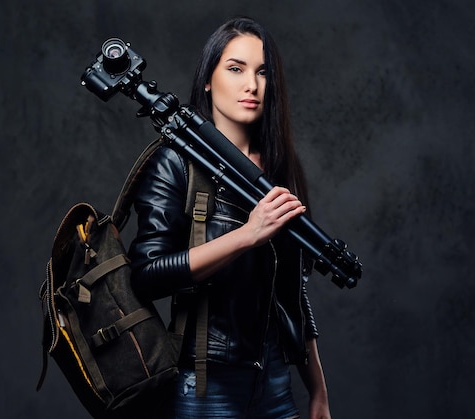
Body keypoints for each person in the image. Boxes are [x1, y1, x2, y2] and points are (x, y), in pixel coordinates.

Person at [129, 16, 331, 419]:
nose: (251, 85)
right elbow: (146, 275)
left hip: (275, 383)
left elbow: (291, 292)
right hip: (205, 387)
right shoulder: (176, 164)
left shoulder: (279, 168)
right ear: (208, 78)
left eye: (261, 72)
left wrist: (318, 394)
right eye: (235, 69)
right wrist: (247, 235)